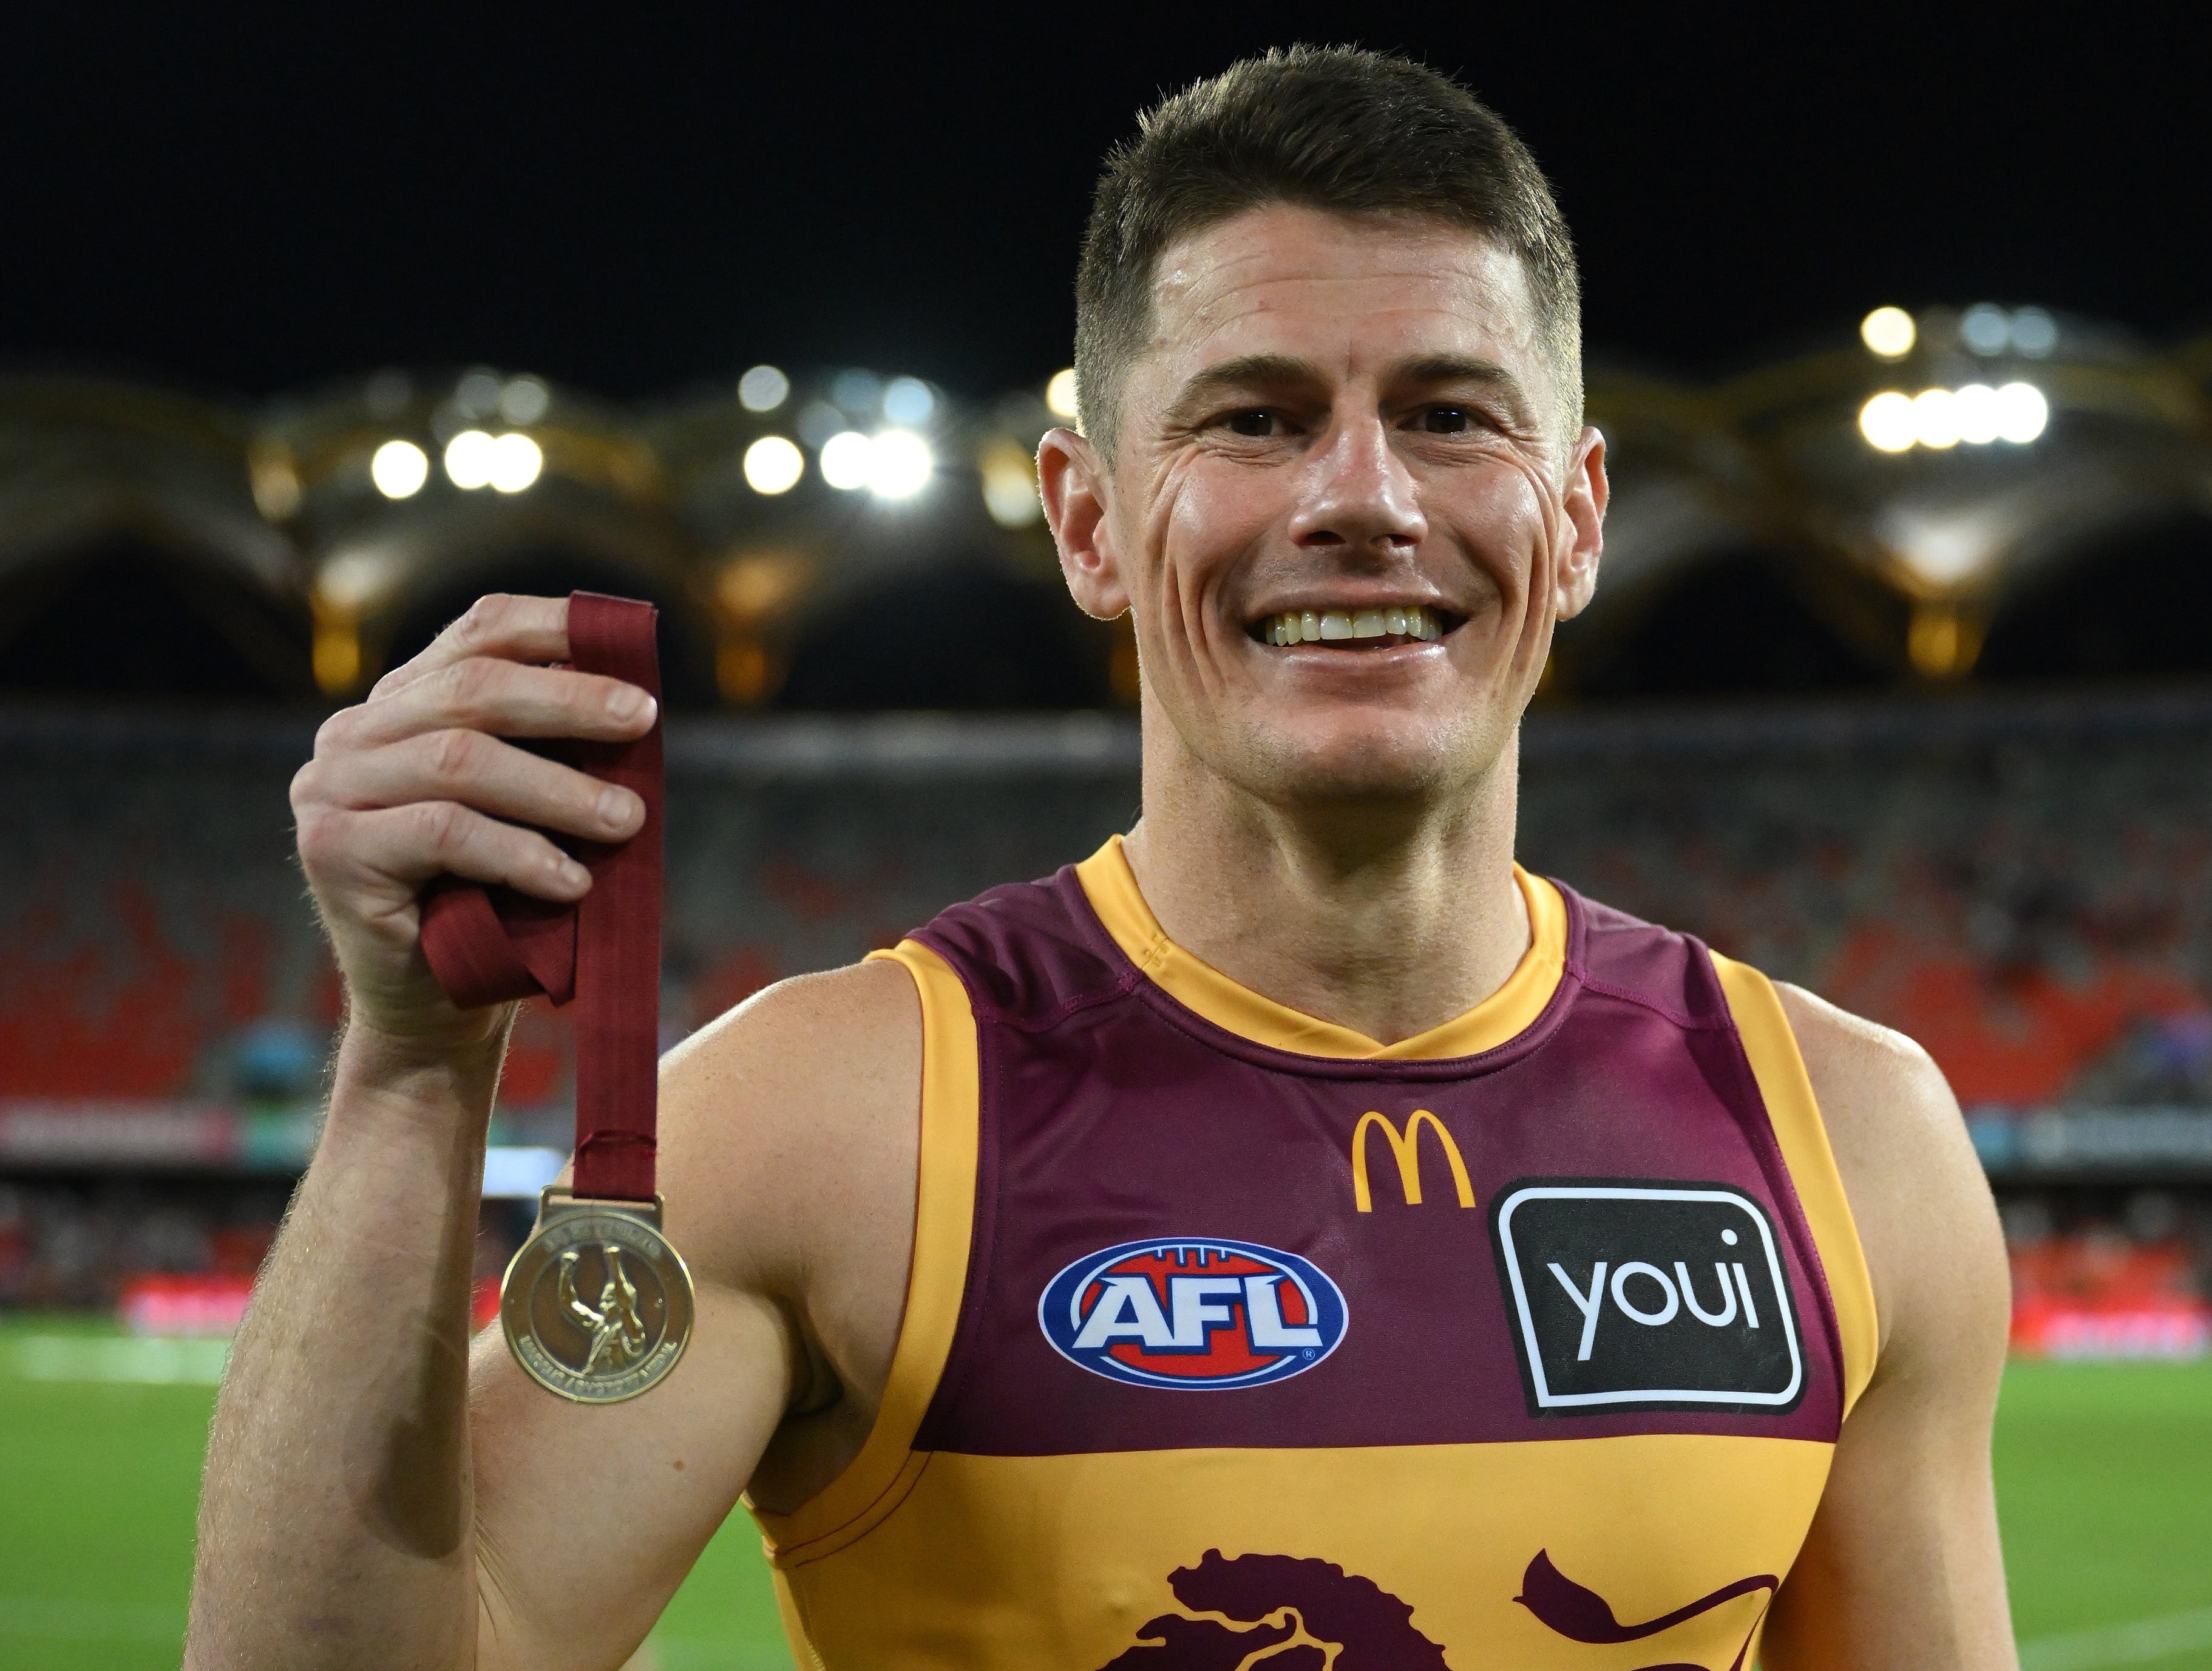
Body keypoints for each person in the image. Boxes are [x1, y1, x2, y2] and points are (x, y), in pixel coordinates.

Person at [188, 45, 2016, 1671]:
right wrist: (409, 1068)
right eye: (1256, 418)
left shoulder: (1849, 1142)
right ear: (1089, 522)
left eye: (1453, 415)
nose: (1363, 499)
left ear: (1580, 516)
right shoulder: (822, 1128)